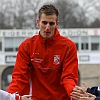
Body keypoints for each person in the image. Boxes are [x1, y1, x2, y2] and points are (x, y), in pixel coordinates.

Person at [6, 4, 78, 100]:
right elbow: (19, 77)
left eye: (51, 23)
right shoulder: (26, 46)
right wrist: (8, 96)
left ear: (57, 24)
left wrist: (73, 92)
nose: (47, 27)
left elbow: (69, 77)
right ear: (38, 22)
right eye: (44, 23)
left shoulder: (69, 47)